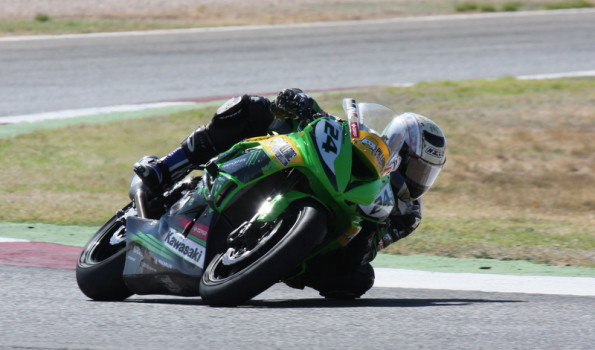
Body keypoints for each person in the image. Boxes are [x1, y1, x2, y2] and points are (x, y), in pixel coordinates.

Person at [134, 88, 446, 299]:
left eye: (427, 174)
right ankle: (167, 167)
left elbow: (371, 247)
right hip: (304, 170)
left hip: (330, 241)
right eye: (417, 168)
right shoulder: (363, 145)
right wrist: (304, 106)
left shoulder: (408, 214)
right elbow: (327, 128)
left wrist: (369, 236)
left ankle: (278, 257)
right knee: (252, 107)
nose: (419, 181)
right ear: (396, 149)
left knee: (359, 280)